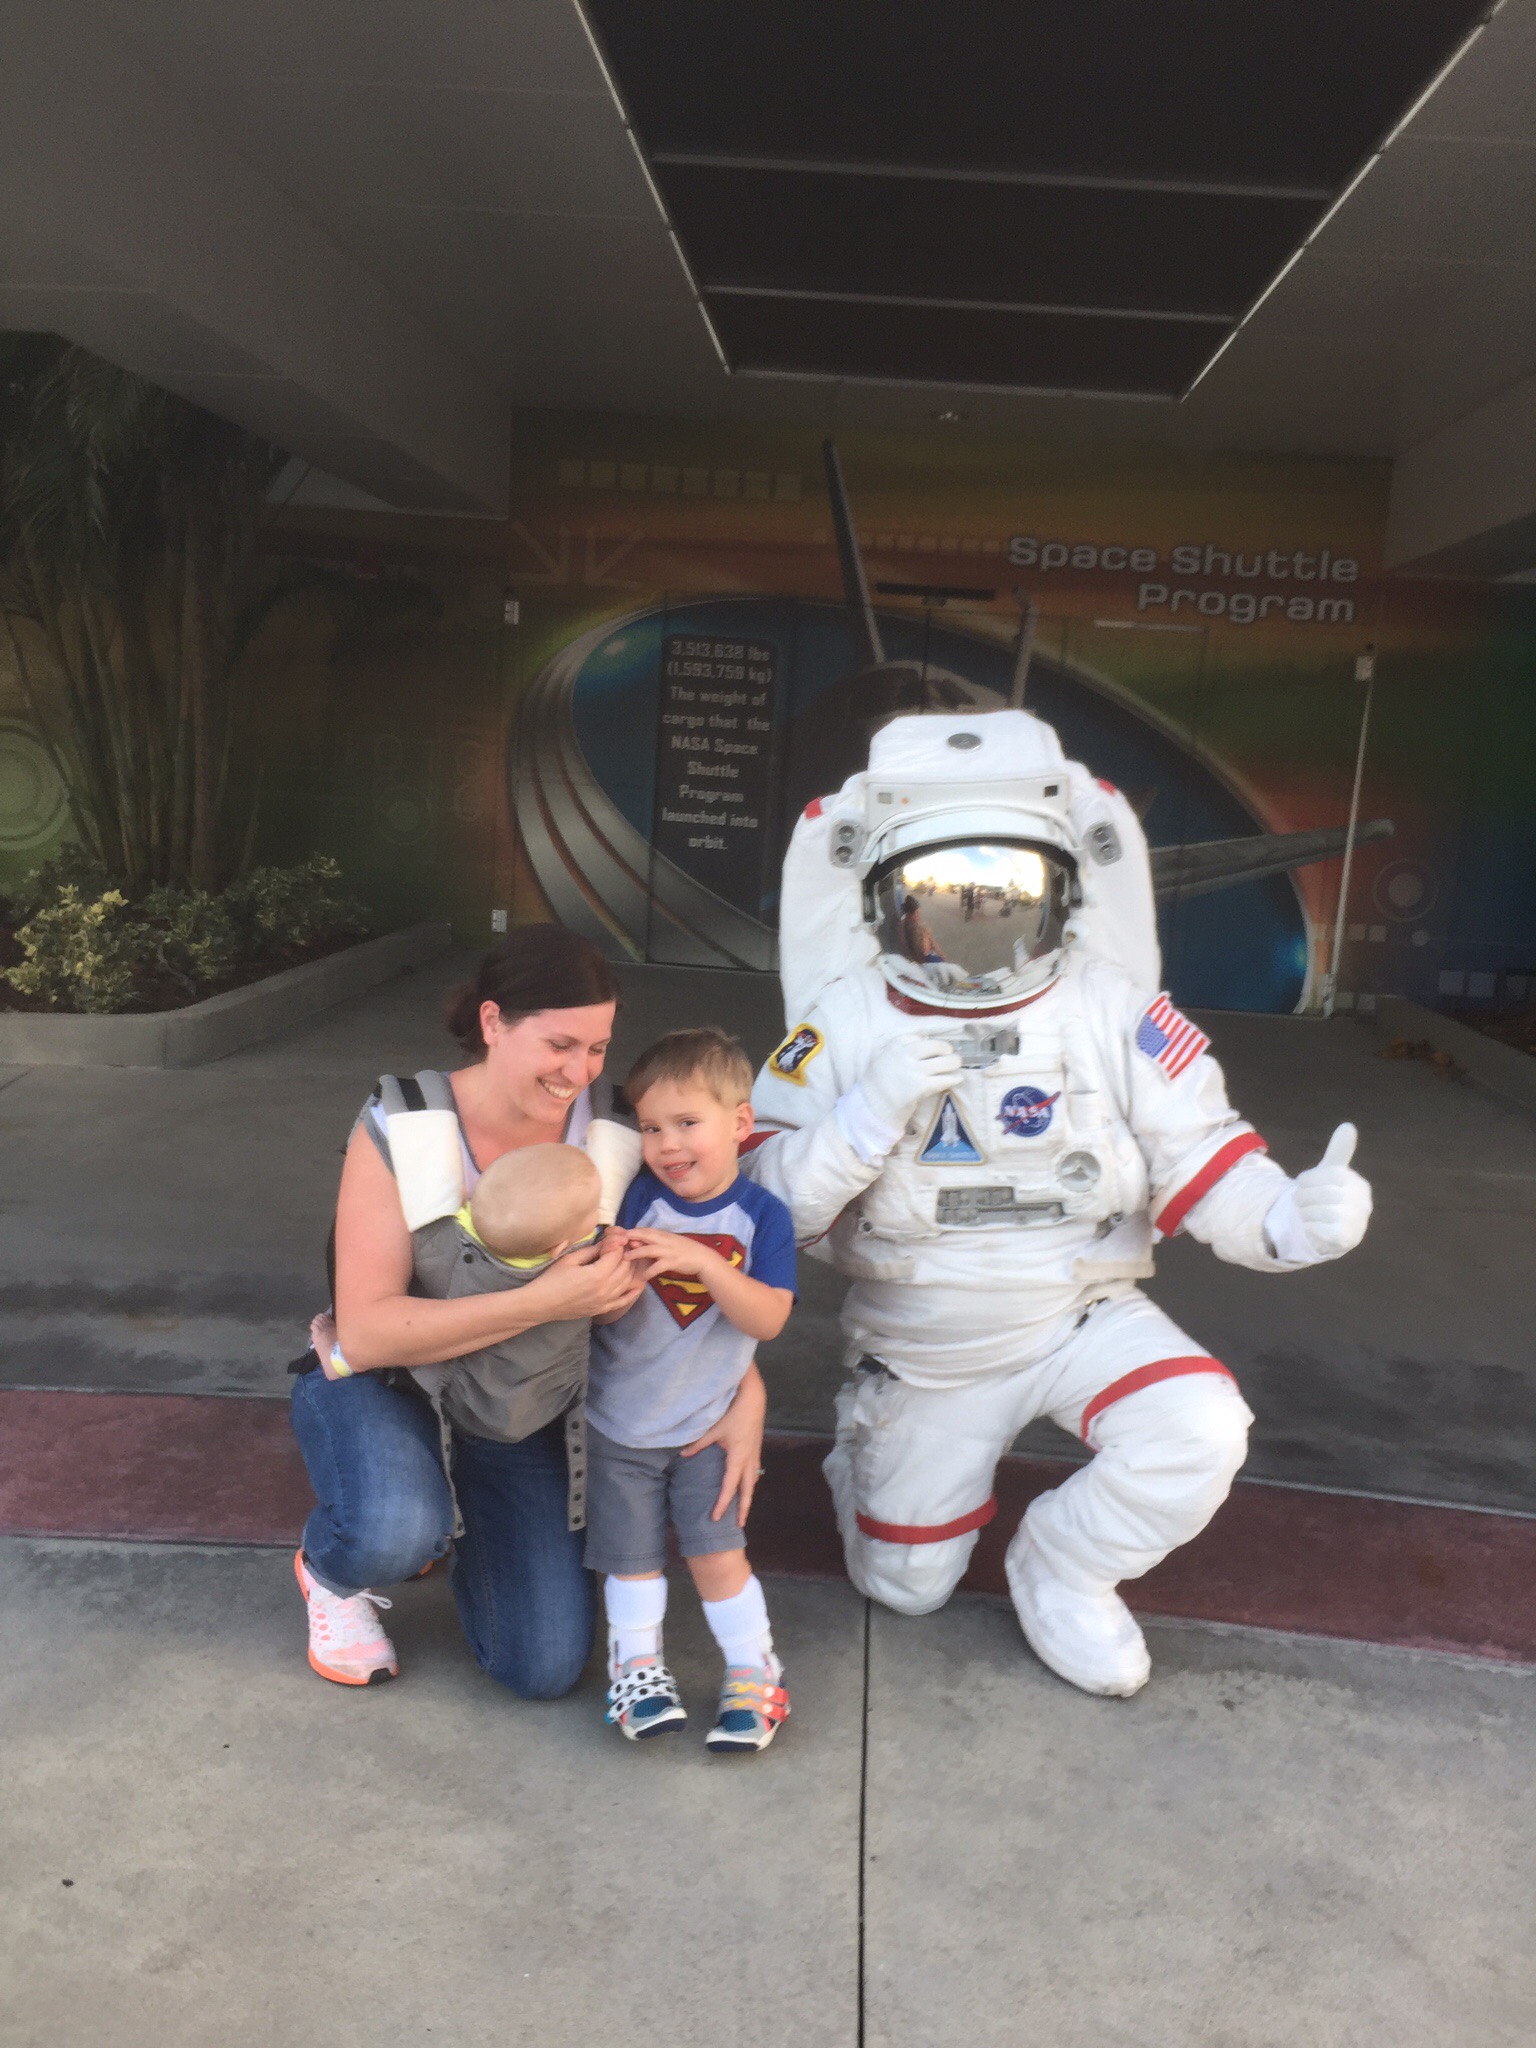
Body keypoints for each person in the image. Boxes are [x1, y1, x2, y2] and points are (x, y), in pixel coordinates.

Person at [747, 709, 1372, 1699]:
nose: (976, 925)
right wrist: (866, 1114)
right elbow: (762, 1204)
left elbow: (1201, 1148)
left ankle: (1067, 1565)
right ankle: (871, 1453)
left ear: (1061, 896)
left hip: (1082, 1308)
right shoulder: (844, 1020)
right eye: (938, 894)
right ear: (885, 901)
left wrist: (1289, 1219)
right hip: (929, 1341)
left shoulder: (1110, 1004)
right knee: (905, 1585)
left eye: (1010, 893)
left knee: (1202, 1427)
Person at [289, 926, 769, 1699]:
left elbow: (696, 1269)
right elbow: (370, 1331)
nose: (580, 1072)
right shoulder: (404, 1119)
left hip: (526, 1409)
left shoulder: (621, 1132)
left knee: (542, 1666)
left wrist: (748, 1392)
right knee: (391, 1530)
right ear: (492, 1022)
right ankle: (335, 1569)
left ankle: (450, 1511)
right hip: (397, 1385)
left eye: (598, 1048)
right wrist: (544, 1301)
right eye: (559, 1044)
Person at [584, 1029, 796, 1753]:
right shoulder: (635, 1198)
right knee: (631, 1561)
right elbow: (601, 1310)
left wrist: (703, 1264)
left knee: (717, 1555)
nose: (668, 1145)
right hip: (617, 1422)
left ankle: (754, 1668)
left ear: (740, 1123)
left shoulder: (762, 1217)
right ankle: (636, 1668)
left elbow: (767, 1318)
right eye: (650, 1128)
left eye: (686, 1123)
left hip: (708, 1426)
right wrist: (613, 1275)